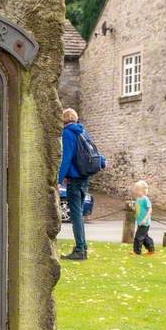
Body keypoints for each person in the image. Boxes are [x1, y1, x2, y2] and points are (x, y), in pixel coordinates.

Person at [57, 108, 106, 261]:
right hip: (85, 178)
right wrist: (103, 163)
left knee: (76, 216)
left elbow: (66, 158)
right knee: (79, 216)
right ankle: (82, 248)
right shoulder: (82, 131)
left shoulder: (68, 133)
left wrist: (58, 180)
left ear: (63, 120)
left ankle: (80, 249)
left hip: (75, 180)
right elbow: (95, 151)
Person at [132, 180, 155, 255]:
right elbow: (138, 209)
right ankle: (151, 249)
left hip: (145, 222)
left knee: (138, 237)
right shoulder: (138, 199)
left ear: (143, 191)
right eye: (135, 189)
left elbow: (150, 209)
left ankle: (137, 251)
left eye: (138, 190)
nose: (136, 191)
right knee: (145, 237)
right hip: (139, 222)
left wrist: (145, 219)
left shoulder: (145, 199)